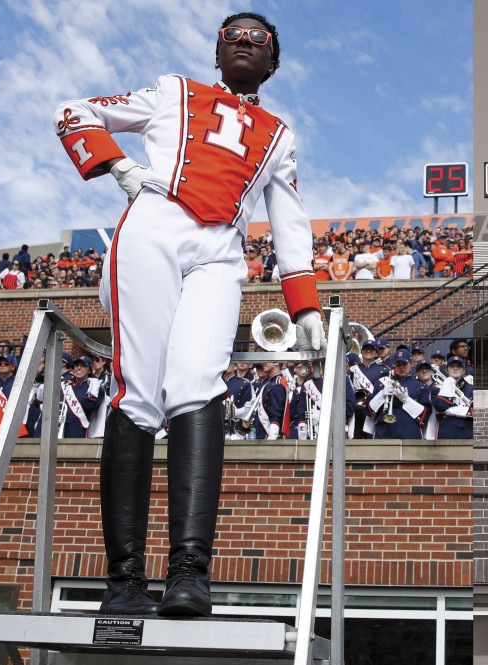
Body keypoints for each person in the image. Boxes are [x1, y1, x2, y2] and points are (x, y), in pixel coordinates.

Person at [53, 11, 324, 618]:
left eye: (259, 39)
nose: (245, 43)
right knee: (140, 393)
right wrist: (117, 165)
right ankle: (124, 582)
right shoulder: (172, 90)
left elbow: (291, 221)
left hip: (222, 248)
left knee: (199, 387)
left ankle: (189, 575)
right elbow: (74, 110)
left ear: (274, 60)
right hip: (156, 224)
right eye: (233, 36)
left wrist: (302, 304)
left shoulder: (280, 133)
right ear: (218, 49)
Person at [367, 351, 430, 440]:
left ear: (411, 364)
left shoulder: (420, 386)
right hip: (384, 432)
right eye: (398, 364)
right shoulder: (383, 383)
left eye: (404, 364)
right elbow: (369, 411)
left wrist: (406, 400)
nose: (401, 367)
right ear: (394, 365)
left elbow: (425, 415)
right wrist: (382, 394)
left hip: (410, 433)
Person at [434, 356, 472, 439]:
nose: (455, 368)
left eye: (459, 366)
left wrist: (454, 411)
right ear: (446, 370)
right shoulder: (436, 388)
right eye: (452, 366)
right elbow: (441, 406)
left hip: (468, 433)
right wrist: (449, 382)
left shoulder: (471, 388)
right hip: (447, 433)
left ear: (463, 371)